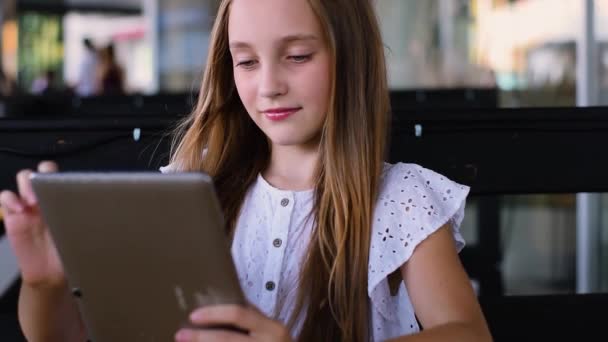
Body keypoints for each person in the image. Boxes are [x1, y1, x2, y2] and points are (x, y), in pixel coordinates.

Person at [0, 0, 493, 341]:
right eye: (246, 61)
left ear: (352, 59)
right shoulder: (188, 192)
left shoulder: (400, 197)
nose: (269, 85)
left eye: (297, 56)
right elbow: (66, 334)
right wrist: (46, 284)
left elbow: (468, 333)